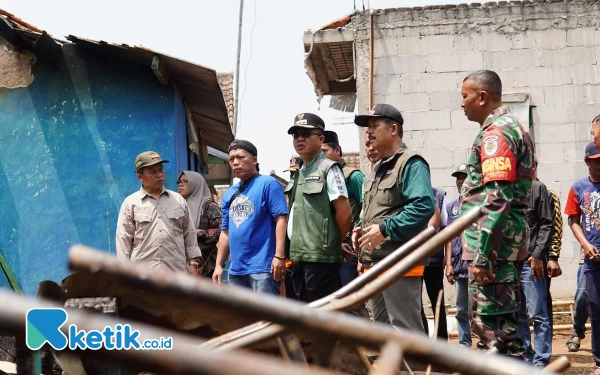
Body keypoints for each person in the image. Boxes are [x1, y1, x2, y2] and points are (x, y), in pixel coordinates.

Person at [459, 70, 534, 357]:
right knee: (503, 335)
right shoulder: (507, 127)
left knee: (494, 337)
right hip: (499, 249)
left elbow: (497, 199)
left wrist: (483, 255)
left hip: (494, 250)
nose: (462, 103)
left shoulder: (497, 134)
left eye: (465, 96)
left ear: (482, 97)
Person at [354, 103, 435, 332]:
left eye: (374, 125)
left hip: (400, 263)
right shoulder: (378, 169)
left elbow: (422, 206)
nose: (368, 132)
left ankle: (415, 370)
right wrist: (361, 229)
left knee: (405, 331)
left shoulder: (410, 163)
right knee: (384, 332)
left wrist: (384, 229)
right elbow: (377, 210)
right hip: (377, 262)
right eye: (367, 127)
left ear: (393, 129)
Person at [286, 113, 352, 303]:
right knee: (305, 317)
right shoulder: (299, 171)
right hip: (298, 255)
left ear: (321, 139)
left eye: (306, 134)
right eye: (296, 134)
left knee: (321, 316)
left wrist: (332, 242)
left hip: (320, 258)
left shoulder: (329, 168)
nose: (299, 138)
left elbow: (344, 213)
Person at [212, 140, 288, 295]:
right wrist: (219, 265)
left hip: (264, 268)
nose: (235, 162)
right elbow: (225, 232)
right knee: (242, 318)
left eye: (240, 157)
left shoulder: (268, 184)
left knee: (266, 316)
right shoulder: (229, 194)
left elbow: (281, 219)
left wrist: (279, 256)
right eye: (231, 159)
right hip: (236, 270)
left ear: (254, 160)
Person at [116, 151, 202, 274]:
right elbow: (123, 240)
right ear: (140, 177)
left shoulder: (178, 200)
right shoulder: (130, 203)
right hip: (143, 276)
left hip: (176, 274)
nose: (159, 175)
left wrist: (193, 263)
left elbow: (189, 234)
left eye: (161, 170)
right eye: (152, 172)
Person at [564, 141, 600, 375]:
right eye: (595, 160)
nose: (599, 164)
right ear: (587, 162)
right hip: (592, 260)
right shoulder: (578, 188)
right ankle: (599, 362)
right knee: (595, 310)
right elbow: (573, 221)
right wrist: (585, 244)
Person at [517, 157, 553, 367]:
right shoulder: (509, 190)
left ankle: (541, 360)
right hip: (513, 264)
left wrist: (539, 255)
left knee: (538, 314)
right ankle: (526, 358)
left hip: (531, 263)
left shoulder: (538, 188)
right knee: (519, 316)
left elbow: (546, 224)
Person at [322, 130, 365, 287]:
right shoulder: (322, 177)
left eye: (324, 151)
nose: (321, 156)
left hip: (349, 250)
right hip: (329, 250)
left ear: (337, 150)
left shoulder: (353, 177)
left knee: (351, 303)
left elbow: (367, 207)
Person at [444, 163, 471, 347]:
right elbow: (448, 236)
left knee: (482, 309)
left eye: (464, 177)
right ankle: (465, 345)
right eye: (458, 178)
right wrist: (448, 264)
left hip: (477, 265)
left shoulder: (480, 204)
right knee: (461, 309)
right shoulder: (452, 207)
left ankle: (488, 347)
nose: (460, 181)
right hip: (459, 266)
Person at [177, 171, 222, 278]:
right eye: (179, 182)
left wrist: (199, 233)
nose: (180, 184)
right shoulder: (177, 204)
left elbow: (221, 231)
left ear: (195, 184)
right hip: (182, 264)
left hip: (205, 264)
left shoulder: (208, 205)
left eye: (185, 181)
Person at [421, 187, 449, 340]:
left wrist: (448, 259)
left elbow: (445, 228)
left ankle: (441, 340)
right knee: (415, 302)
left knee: (437, 302)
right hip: (414, 260)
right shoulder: (407, 192)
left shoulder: (438, 195)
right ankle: (423, 339)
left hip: (434, 259)